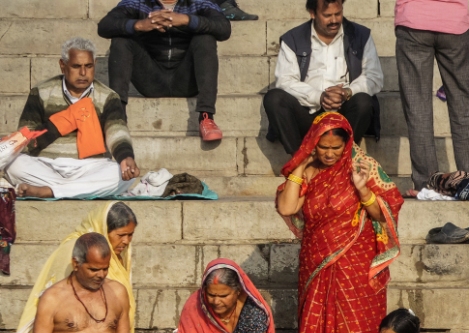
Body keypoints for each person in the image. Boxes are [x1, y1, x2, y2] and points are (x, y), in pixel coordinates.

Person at [276, 113, 402, 333]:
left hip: (356, 269)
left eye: (336, 147)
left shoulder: (362, 166)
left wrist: (363, 190)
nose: (330, 153)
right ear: (312, 143)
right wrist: (301, 166)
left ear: (346, 143)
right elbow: (287, 208)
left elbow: (385, 212)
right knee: (317, 332)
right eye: (323, 147)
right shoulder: (308, 170)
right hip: (316, 265)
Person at [8, 38, 139, 199]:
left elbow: (117, 132)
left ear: (95, 65)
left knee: (123, 174)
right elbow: (26, 139)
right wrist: (62, 122)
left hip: (91, 167)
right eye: (76, 66)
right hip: (47, 165)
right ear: (63, 66)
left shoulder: (108, 97)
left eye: (88, 66)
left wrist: (126, 157)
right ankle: (73, 190)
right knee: (13, 164)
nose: (83, 73)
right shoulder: (41, 92)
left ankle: (49, 191)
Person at [98, 0, 231, 142]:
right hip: (150, 78)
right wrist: (139, 25)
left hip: (186, 80)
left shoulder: (198, 2)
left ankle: (206, 117)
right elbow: (104, 26)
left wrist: (187, 20)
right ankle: (117, 119)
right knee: (121, 40)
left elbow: (224, 28)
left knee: (205, 38)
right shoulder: (138, 3)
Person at [264, 0, 384, 154]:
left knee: (363, 101)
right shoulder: (293, 39)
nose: (334, 20)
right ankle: (301, 162)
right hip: (308, 112)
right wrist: (319, 97)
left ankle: (343, 158)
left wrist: (347, 92)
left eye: (338, 14)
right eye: (327, 15)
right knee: (274, 98)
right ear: (313, 13)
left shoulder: (361, 35)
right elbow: (285, 81)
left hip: (345, 114)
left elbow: (374, 76)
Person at [395, 0, 469, 194]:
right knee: (464, 105)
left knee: (417, 106)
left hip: (413, 21)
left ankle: (427, 184)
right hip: (454, 21)